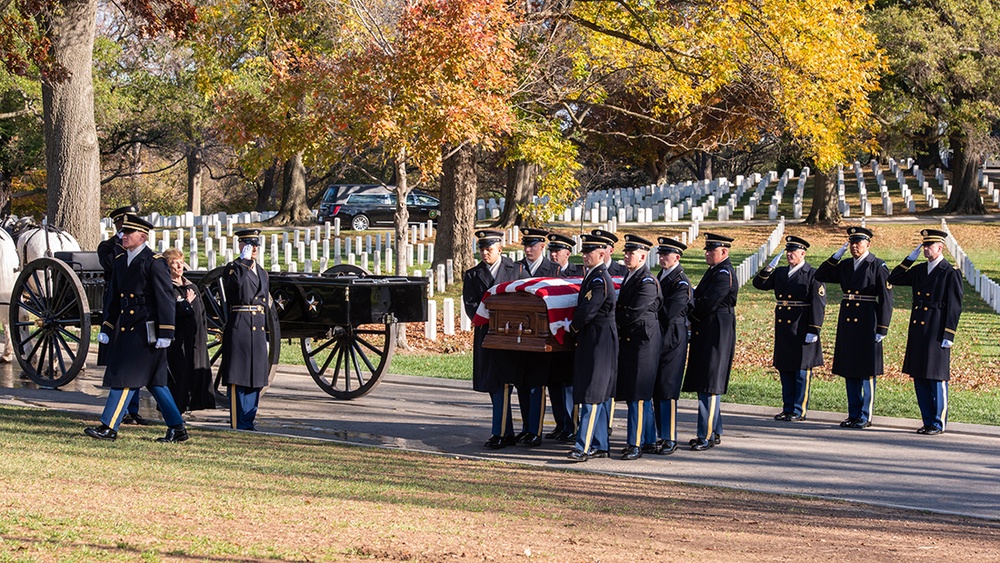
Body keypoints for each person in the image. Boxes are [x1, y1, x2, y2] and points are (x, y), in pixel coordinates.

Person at [84, 214, 189, 442]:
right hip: (127, 327)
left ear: (142, 237)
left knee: (125, 377)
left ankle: (109, 426)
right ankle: (178, 428)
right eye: (123, 232)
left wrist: (166, 332)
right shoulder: (121, 260)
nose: (123, 236)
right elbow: (114, 297)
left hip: (146, 330)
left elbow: (165, 299)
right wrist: (107, 326)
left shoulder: (154, 262)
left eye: (128, 233)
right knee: (156, 382)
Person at [815, 226, 893, 429]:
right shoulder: (846, 265)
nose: (854, 246)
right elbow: (821, 274)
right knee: (849, 369)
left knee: (866, 370)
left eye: (858, 242)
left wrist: (882, 328)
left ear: (868, 244)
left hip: (868, 320)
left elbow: (886, 299)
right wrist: (837, 255)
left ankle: (865, 415)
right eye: (851, 243)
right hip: (848, 320)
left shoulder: (877, 265)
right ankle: (853, 413)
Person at [887, 229, 963, 435]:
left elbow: (955, 305)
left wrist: (949, 333)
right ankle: (927, 420)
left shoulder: (949, 271)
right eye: (924, 246)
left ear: (940, 247)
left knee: (936, 377)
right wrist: (908, 260)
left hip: (937, 328)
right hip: (919, 329)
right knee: (920, 376)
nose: (926, 249)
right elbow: (894, 277)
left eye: (929, 246)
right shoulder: (920, 269)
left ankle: (938, 422)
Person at [462, 229, 528, 449]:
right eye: (482, 249)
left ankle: (509, 432)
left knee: (511, 383)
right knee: (494, 384)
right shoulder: (472, 275)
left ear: (500, 248)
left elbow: (527, 299)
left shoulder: (517, 270)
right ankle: (504, 431)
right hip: (488, 335)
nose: (485, 253)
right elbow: (471, 306)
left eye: (489, 249)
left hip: (511, 336)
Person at [752, 235, 826, 422]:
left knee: (801, 371)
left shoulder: (813, 274)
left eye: (793, 252)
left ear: (803, 253)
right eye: (788, 252)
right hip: (784, 327)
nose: (789, 255)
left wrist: (814, 329)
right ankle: (787, 408)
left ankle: (798, 409)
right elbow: (759, 284)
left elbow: (819, 303)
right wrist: (769, 268)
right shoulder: (780, 272)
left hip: (802, 326)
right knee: (785, 368)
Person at [683, 232, 738, 451]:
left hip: (716, 333)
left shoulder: (724, 274)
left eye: (710, 250)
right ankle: (714, 431)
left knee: (710, 383)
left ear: (723, 252)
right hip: (708, 331)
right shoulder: (715, 271)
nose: (706, 253)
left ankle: (705, 435)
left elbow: (707, 304)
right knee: (707, 381)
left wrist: (689, 313)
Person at [567, 233, 618, 462]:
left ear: (601, 254)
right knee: (595, 393)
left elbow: (588, 311)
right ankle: (599, 444)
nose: (585, 256)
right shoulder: (593, 276)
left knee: (593, 395)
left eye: (589, 252)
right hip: (595, 339)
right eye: (584, 252)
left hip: (599, 340)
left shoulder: (598, 279)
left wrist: (572, 328)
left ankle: (584, 446)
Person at [96, 205, 150, 425]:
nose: (127, 230)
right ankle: (120, 410)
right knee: (121, 360)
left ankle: (132, 409)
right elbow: (110, 264)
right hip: (116, 305)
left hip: (136, 310)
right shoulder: (108, 247)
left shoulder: (138, 247)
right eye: (124, 226)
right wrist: (120, 244)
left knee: (133, 361)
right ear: (117, 225)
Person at [218, 228, 272, 431]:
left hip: (257, 328)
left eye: (256, 245)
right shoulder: (234, 268)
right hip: (240, 325)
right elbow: (234, 286)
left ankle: (249, 420)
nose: (254, 248)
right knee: (238, 376)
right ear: (241, 246)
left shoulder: (263, 273)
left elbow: (265, 303)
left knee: (255, 377)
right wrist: (244, 262)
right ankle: (237, 422)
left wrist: (266, 334)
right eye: (249, 244)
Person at [614, 234, 661, 460]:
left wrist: (611, 323)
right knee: (638, 394)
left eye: (630, 253)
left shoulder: (647, 281)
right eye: (626, 252)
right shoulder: (631, 276)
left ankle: (635, 443)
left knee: (638, 395)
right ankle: (649, 440)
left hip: (642, 343)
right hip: (633, 342)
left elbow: (633, 313)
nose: (626, 256)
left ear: (643, 256)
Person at [513, 228, 560, 446]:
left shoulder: (554, 269)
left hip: (542, 337)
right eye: (526, 245)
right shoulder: (516, 268)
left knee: (537, 384)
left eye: (533, 245)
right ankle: (525, 427)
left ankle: (536, 430)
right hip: (520, 335)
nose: (528, 249)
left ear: (543, 246)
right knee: (522, 383)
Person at [652, 237, 692, 455]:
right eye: (660, 254)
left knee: (667, 388)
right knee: (658, 388)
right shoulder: (663, 276)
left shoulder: (680, 282)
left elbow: (667, 313)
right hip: (660, 337)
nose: (662, 258)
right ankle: (660, 434)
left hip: (672, 338)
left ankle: (669, 437)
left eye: (666, 255)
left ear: (676, 257)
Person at [163, 248, 214, 414]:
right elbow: (168, 313)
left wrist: (204, 334)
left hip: (195, 339)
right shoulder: (167, 288)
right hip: (178, 340)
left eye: (180, 262)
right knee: (179, 376)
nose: (179, 266)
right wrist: (186, 303)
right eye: (174, 263)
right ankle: (176, 410)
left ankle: (194, 403)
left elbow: (202, 314)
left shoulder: (191, 286)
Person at [544, 232, 582, 442]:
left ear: (568, 253)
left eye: (557, 251)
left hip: (570, 339)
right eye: (551, 251)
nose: (553, 255)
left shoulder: (578, 273)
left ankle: (572, 424)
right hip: (550, 338)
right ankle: (560, 424)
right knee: (554, 384)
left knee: (568, 384)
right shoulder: (547, 273)